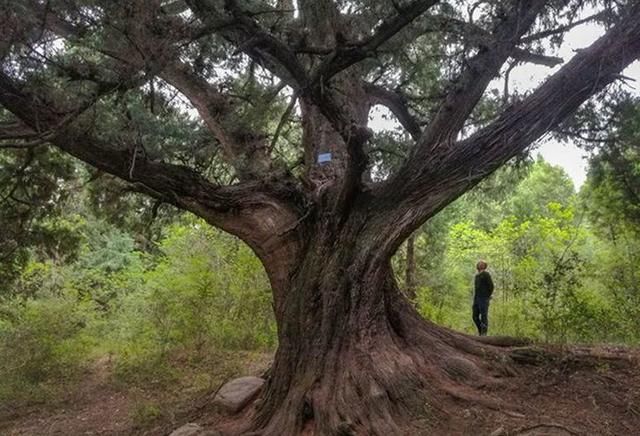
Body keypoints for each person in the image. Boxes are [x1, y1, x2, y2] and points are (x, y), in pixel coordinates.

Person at [472, 260, 494, 336]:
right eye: (479, 263)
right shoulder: (477, 276)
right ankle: (480, 331)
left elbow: (491, 286)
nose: (480, 264)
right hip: (476, 298)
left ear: (484, 266)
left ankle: (484, 334)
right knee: (475, 316)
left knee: (484, 316)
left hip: (484, 299)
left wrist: (487, 296)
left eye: (482, 263)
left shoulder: (486, 274)